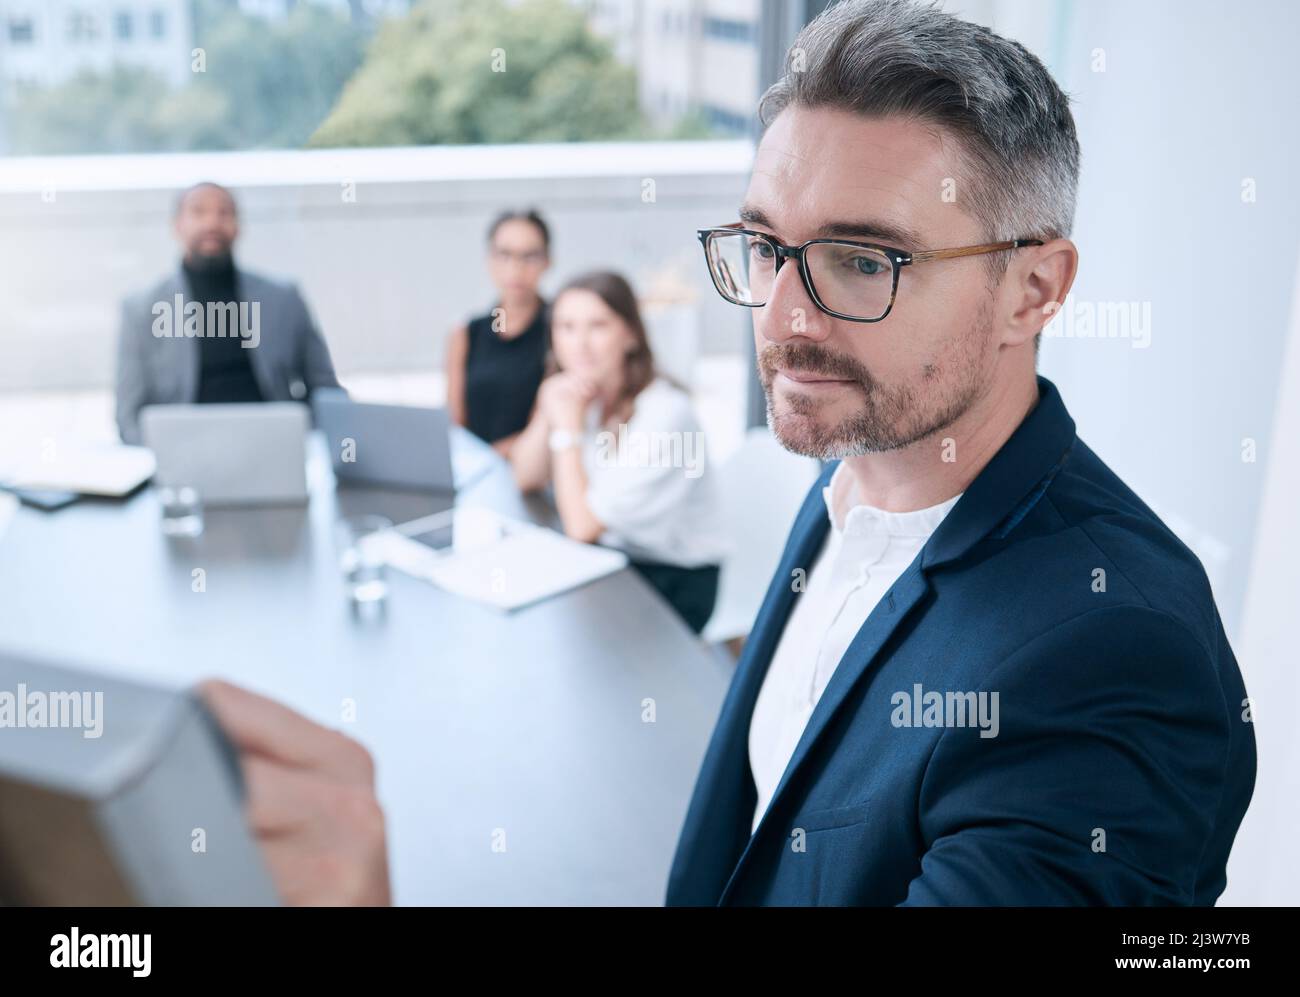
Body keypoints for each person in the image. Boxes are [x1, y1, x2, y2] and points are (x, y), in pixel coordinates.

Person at [199, 0, 1255, 906]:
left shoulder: (1115, 654)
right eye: (764, 245)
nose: (785, 317)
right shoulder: (850, 484)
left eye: (860, 258)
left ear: (1034, 289)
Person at [509, 271, 727, 634]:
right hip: (614, 558)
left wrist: (566, 429)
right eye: (565, 327)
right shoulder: (584, 394)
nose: (579, 344)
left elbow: (582, 528)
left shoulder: (665, 413)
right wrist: (548, 406)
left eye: (597, 326)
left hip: (674, 577)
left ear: (629, 335)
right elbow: (525, 477)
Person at [114, 182, 341, 445]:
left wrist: (315, 442)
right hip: (185, 447)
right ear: (177, 225)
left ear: (238, 226)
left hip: (270, 443)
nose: (212, 223)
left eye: (224, 213)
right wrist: (159, 458)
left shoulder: (284, 298)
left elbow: (325, 388)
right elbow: (127, 416)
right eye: (198, 212)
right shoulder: (140, 308)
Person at [445, 209, 552, 458]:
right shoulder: (467, 334)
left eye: (530, 256)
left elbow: (544, 426)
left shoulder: (560, 329)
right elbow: (453, 422)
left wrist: (486, 459)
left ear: (547, 261)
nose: (516, 267)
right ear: (489, 260)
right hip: (471, 470)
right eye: (504, 254)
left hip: (531, 471)